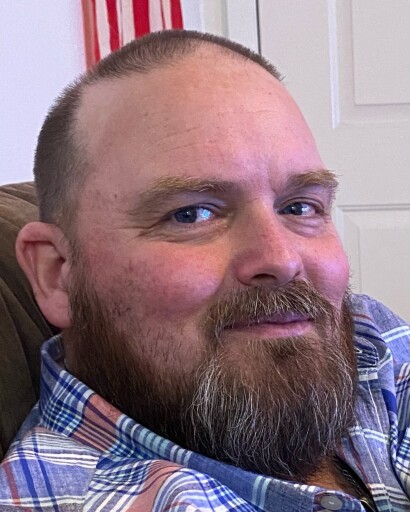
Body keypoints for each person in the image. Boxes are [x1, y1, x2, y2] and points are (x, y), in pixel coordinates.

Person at [0, 29, 409, 512]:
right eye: (192, 214)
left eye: (299, 206)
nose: (282, 260)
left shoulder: (367, 336)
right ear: (57, 274)